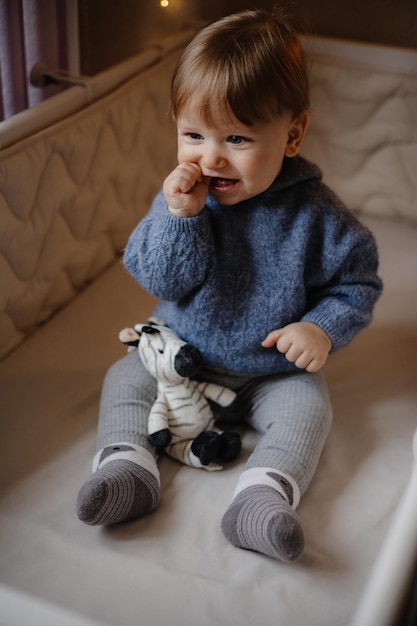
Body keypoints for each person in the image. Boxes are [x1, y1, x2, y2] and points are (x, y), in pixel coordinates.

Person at [76, 7, 382, 562]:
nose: (210, 156)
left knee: (309, 409)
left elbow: (358, 280)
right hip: (179, 355)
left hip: (270, 371)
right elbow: (160, 276)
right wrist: (180, 218)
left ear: (292, 134)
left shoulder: (317, 215)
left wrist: (321, 326)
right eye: (192, 134)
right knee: (123, 379)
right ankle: (127, 466)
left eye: (237, 138)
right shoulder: (181, 202)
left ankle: (263, 496)